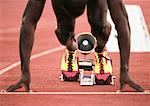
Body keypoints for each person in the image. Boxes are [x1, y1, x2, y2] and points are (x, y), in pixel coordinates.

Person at [5, 0, 144, 92]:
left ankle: (101, 51)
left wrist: (125, 70)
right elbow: (28, 21)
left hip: (94, 3)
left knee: (101, 27)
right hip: (64, 6)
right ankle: (70, 49)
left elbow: (122, 21)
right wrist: (24, 73)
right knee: (62, 33)